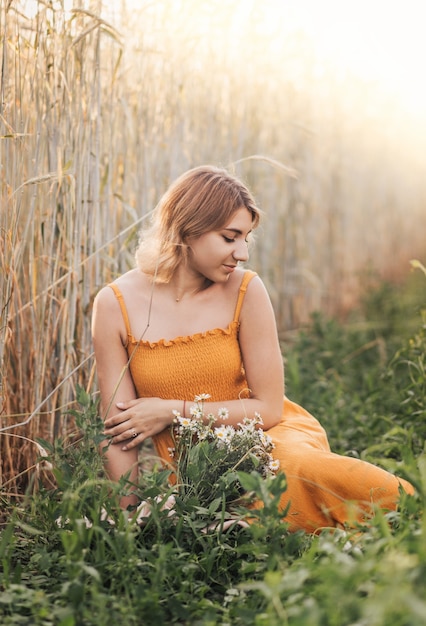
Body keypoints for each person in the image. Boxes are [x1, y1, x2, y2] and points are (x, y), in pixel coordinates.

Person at [91, 165, 414, 533]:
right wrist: (128, 518)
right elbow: (119, 431)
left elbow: (269, 408)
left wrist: (173, 411)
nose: (242, 253)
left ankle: (411, 512)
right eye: (230, 238)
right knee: (229, 509)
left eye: (246, 239)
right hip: (199, 468)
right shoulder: (115, 304)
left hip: (269, 438)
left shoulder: (245, 290)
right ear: (187, 228)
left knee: (302, 473)